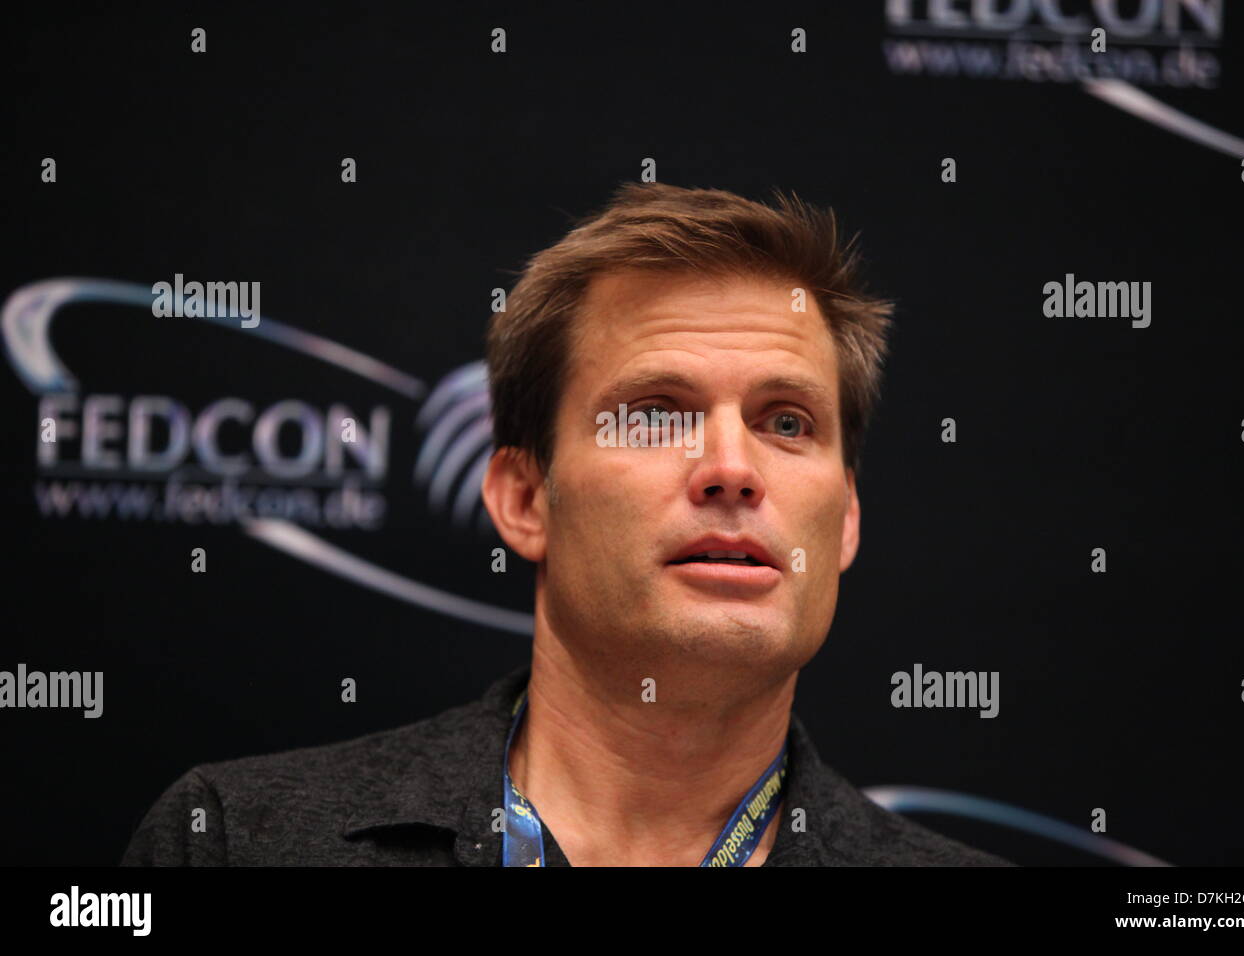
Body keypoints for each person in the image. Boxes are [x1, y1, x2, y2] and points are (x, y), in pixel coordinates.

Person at [122, 182, 1011, 867]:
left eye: (787, 423)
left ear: (846, 518)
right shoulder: (236, 842)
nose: (734, 471)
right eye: (656, 413)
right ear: (523, 498)